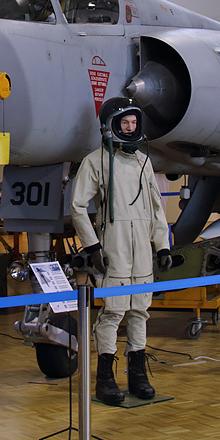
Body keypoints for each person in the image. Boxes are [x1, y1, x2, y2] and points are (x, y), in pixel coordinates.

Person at [70, 97, 176, 404]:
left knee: (140, 310)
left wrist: (162, 246)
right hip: (113, 246)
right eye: (124, 124)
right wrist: (91, 245)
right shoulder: (96, 161)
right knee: (113, 311)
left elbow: (156, 208)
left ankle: (138, 376)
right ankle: (105, 379)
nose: (129, 129)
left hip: (142, 247)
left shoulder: (143, 161)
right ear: (111, 126)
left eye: (133, 124)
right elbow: (77, 206)